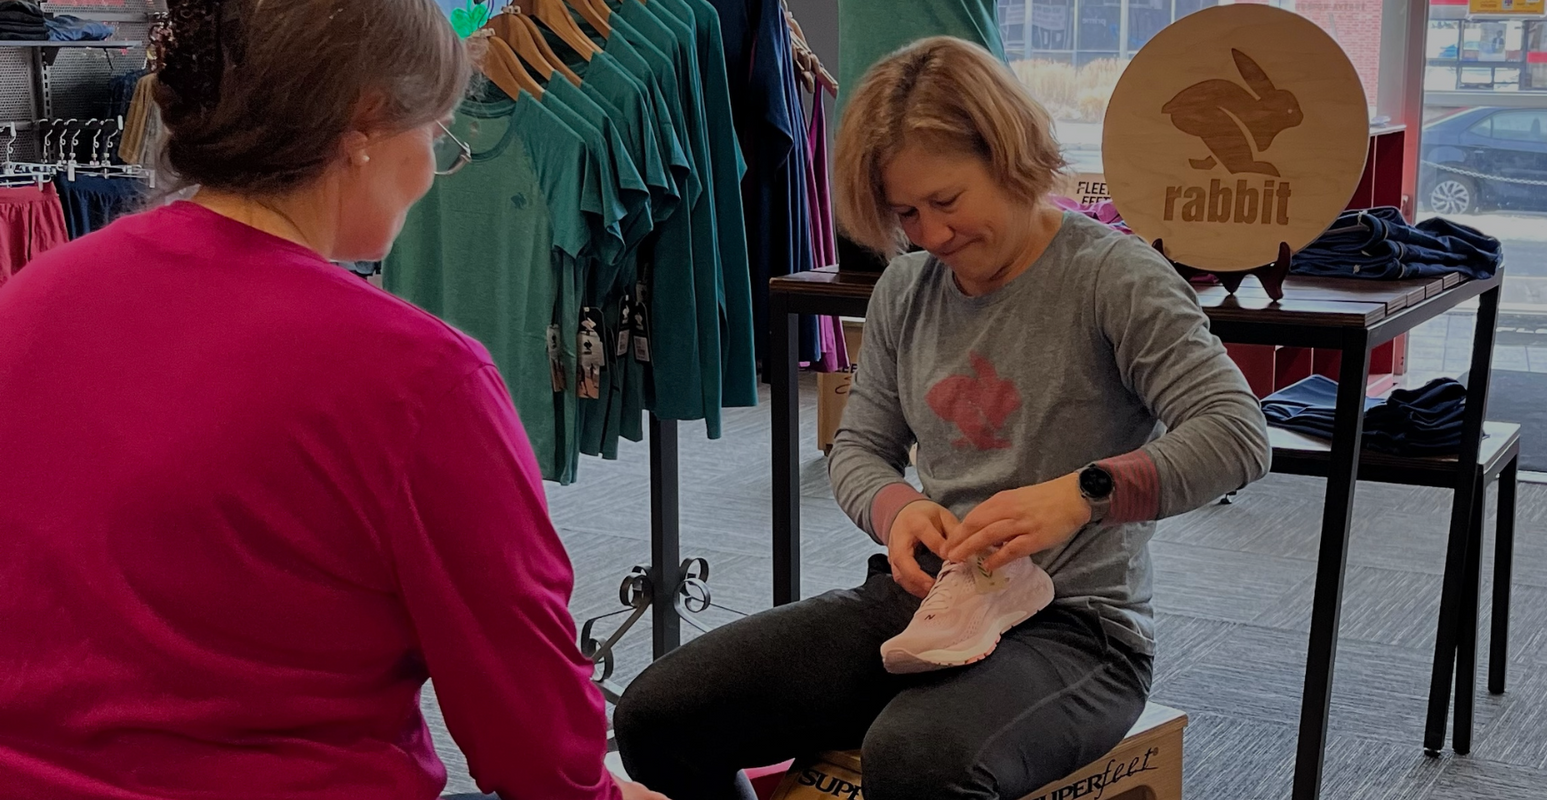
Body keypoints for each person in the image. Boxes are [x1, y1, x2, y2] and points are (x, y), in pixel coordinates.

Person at [0, 2, 665, 800]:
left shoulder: (32, 298)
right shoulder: (417, 377)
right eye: (437, 137)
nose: (433, 171)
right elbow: (540, 751)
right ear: (366, 122)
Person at [614, 36, 1271, 800]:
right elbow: (859, 447)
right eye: (906, 213)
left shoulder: (1115, 279)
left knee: (918, 760)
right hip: (929, 601)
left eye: (948, 202)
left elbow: (1237, 433)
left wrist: (1080, 494)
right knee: (656, 719)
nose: (931, 234)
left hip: (1081, 631)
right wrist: (897, 509)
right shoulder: (906, 289)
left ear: (1009, 155)